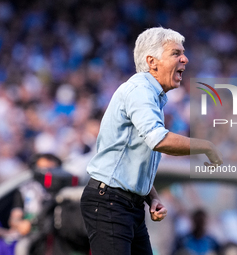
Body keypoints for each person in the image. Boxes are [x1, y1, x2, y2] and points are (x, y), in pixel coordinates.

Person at [80, 27, 223, 255]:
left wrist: (152, 196)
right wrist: (206, 146)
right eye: (176, 53)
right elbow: (159, 141)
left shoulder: (153, 96)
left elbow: (132, 162)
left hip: (126, 204)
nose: (185, 58)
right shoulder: (140, 90)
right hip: (110, 202)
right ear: (152, 62)